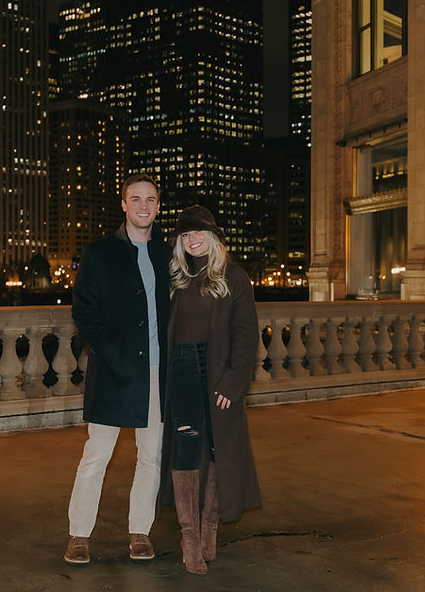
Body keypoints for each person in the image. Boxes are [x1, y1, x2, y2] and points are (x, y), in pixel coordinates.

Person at [63, 173, 171, 565]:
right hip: (113, 372)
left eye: (151, 200)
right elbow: (84, 311)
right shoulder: (100, 252)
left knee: (151, 457)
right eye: (136, 199)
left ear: (158, 206)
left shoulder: (168, 252)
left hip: (158, 374)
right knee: (96, 456)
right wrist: (111, 351)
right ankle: (79, 534)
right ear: (123, 205)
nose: (143, 206)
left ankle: (140, 531)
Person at [160, 205, 261, 574]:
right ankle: (189, 538)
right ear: (179, 242)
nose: (192, 239)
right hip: (182, 370)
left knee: (218, 450)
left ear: (214, 236)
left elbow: (246, 336)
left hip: (219, 370)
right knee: (187, 449)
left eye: (199, 232)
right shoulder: (174, 277)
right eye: (185, 235)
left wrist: (234, 382)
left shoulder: (234, 277)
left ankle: (209, 531)